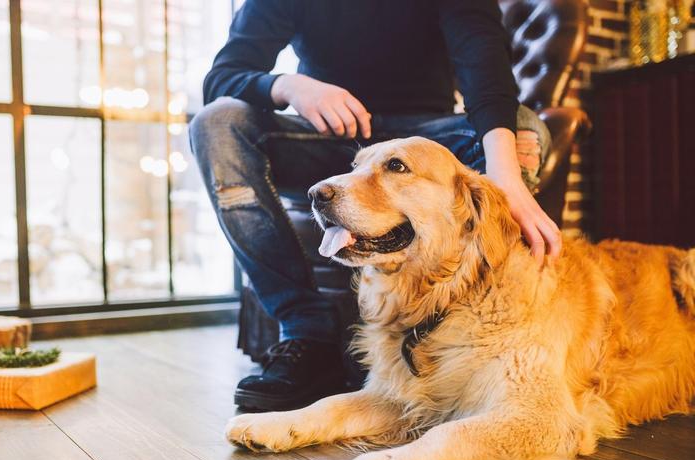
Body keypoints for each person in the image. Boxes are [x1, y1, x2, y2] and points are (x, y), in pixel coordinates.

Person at [190, 0, 560, 411]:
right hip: (329, 139)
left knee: (523, 128)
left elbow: (483, 58)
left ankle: (492, 326)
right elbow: (221, 78)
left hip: (426, 141)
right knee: (216, 123)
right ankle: (307, 334)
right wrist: (290, 86)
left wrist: (505, 178)